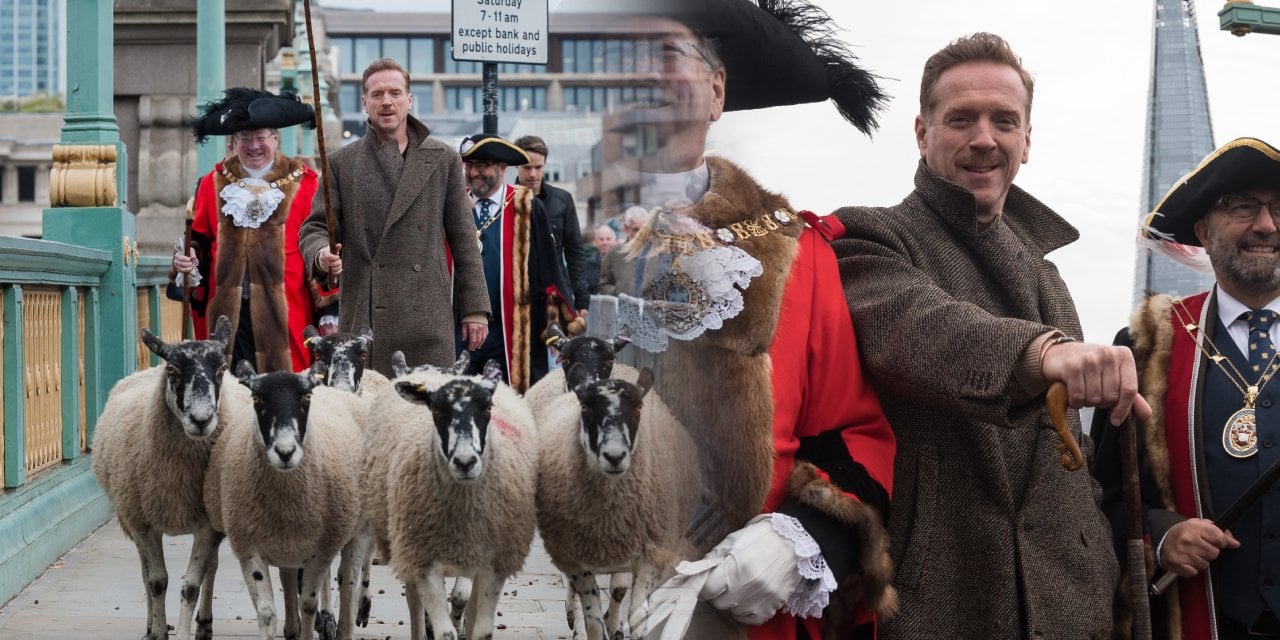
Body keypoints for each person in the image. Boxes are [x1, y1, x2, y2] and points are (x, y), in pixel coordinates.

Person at [574, 1, 897, 638]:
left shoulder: (793, 253)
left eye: (666, 53)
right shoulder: (555, 243)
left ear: (717, 92)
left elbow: (855, 436)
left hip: (745, 610)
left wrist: (800, 539)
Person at [832, 32, 1146, 638]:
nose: (984, 138)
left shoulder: (1046, 272)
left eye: (1004, 121)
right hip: (937, 599)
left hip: (1073, 604)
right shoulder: (869, 237)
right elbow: (923, 331)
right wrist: (1045, 354)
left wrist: (1106, 570)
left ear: (1026, 141)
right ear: (922, 134)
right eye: (961, 119)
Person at [1093, 137, 1280, 639]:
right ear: (1202, 230)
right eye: (1242, 207)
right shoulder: (1147, 346)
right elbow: (1097, 496)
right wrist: (1161, 535)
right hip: (1199, 621)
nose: (1266, 225)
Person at [299, 58, 490, 376]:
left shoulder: (443, 159)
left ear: (409, 99)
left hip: (428, 319)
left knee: (427, 417)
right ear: (364, 103)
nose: (386, 101)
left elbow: (464, 240)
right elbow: (315, 226)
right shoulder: (342, 163)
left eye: (395, 93)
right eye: (377, 94)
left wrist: (475, 308)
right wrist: (321, 255)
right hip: (367, 323)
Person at [175, 88, 321, 373]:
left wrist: (328, 308)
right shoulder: (212, 182)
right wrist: (187, 257)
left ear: (275, 140)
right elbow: (200, 240)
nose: (253, 146)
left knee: (283, 393)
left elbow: (318, 242)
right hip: (226, 313)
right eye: (245, 139)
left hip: (286, 311)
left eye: (261, 137)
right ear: (233, 143)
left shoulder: (306, 185)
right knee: (228, 393)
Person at [457, 133, 576, 392]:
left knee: (509, 407)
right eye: (470, 165)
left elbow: (548, 271)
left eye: (483, 165)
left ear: (502, 168)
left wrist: (558, 326)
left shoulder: (527, 207)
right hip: (460, 331)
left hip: (510, 331)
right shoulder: (453, 203)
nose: (475, 172)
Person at [514, 134, 589, 320]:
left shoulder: (562, 200)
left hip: (556, 291)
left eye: (538, 167)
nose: (533, 174)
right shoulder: (506, 200)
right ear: (517, 166)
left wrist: (581, 299)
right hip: (517, 292)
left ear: (546, 165)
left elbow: (574, 250)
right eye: (527, 168)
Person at [596, 205, 649, 297]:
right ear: (626, 228)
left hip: (649, 308)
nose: (640, 234)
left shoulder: (656, 253)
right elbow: (602, 284)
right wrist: (618, 292)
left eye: (644, 230)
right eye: (636, 229)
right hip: (623, 308)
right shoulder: (615, 252)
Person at [583, 223, 616, 297]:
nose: (605, 243)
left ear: (614, 241)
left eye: (608, 239)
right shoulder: (588, 264)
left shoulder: (621, 263)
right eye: (601, 239)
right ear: (595, 242)